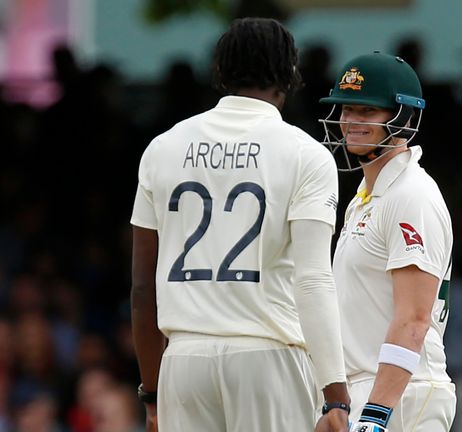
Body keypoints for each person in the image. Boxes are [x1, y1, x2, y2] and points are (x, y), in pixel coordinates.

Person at [130, 17, 350, 432]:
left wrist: (153, 393)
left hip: (183, 360)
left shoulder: (162, 148)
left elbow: (142, 286)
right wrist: (335, 393)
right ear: (290, 74)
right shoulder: (306, 154)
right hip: (268, 356)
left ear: (219, 72)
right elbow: (314, 279)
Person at [318, 51, 456, 432]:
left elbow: (414, 319)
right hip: (365, 389)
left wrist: (376, 416)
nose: (350, 122)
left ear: (402, 117)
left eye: (367, 111)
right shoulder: (366, 196)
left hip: (403, 394)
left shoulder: (411, 195)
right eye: (347, 110)